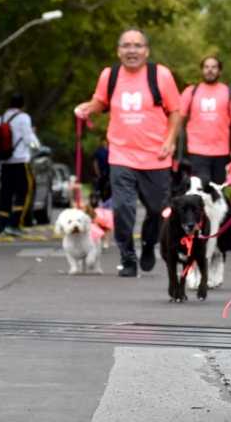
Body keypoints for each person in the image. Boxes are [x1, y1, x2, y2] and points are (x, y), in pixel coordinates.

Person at [74, 28, 183, 278]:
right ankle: (127, 256)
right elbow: (101, 101)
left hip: (156, 156)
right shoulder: (109, 75)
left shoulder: (161, 75)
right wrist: (88, 108)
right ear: (118, 50)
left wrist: (170, 140)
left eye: (137, 45)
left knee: (157, 210)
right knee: (123, 207)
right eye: (126, 45)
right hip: (121, 154)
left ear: (146, 50)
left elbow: (176, 111)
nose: (131, 50)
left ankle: (147, 244)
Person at [179, 56, 231, 185]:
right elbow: (178, 117)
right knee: (199, 189)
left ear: (219, 71)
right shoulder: (191, 92)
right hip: (196, 151)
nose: (210, 70)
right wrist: (172, 143)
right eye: (206, 67)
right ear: (202, 70)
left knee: (217, 191)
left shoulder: (228, 93)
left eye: (213, 67)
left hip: (221, 152)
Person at [0, 93, 37, 237]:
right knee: (24, 192)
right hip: (20, 162)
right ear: (22, 104)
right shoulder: (24, 117)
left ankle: (2, 225)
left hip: (4, 162)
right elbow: (28, 139)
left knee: (5, 194)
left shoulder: (1, 118)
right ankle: (14, 224)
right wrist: (36, 145)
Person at [92, 138, 111, 207]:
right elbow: (95, 162)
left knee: (108, 189)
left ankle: (106, 202)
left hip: (108, 173)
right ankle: (97, 201)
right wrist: (97, 172)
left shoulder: (110, 151)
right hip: (101, 172)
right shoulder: (99, 151)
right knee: (99, 188)